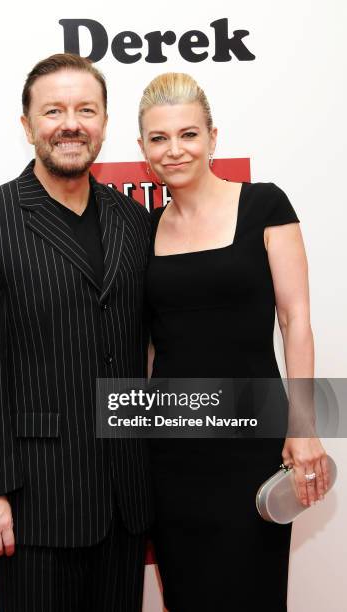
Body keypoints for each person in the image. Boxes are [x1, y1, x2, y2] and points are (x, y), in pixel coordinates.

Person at [0, 53, 153, 612]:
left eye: (86, 109)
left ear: (105, 123)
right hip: (35, 503)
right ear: (27, 125)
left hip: (126, 499)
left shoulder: (133, 221)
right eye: (53, 110)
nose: (71, 123)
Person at [137, 72, 329, 611]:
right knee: (187, 591)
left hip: (252, 439)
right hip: (171, 448)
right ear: (142, 149)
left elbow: (295, 319)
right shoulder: (144, 230)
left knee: (253, 589)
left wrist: (304, 426)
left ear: (213, 138)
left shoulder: (265, 205)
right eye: (159, 138)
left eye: (188, 134)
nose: (175, 150)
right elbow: (148, 345)